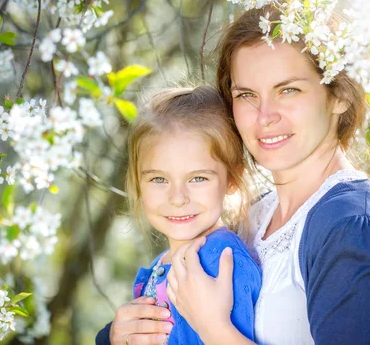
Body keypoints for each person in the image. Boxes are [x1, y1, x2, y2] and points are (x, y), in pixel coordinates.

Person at [96, 4, 370, 345]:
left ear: (339, 96)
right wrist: (116, 335)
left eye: (288, 90)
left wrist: (214, 328)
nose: (265, 116)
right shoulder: (255, 214)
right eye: (246, 94)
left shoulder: (348, 224)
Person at [97, 86, 262, 345]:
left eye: (198, 178)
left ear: (232, 178)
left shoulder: (223, 261)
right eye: (159, 179)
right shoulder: (159, 264)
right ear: (138, 182)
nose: (177, 198)